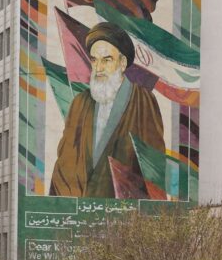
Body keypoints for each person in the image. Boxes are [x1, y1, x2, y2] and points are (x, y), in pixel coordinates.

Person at [49, 21, 166, 199]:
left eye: (106, 60)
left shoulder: (143, 101)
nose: (98, 68)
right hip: (80, 208)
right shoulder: (80, 103)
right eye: (94, 60)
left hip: (125, 210)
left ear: (122, 63)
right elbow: (64, 164)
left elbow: (155, 169)